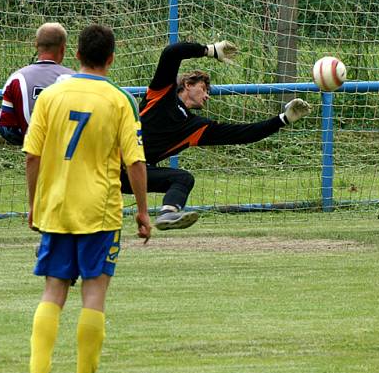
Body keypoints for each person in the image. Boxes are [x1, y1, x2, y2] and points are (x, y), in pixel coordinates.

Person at [23, 24, 151, 373]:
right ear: (111, 58)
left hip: (57, 208)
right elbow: (136, 162)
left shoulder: (52, 95)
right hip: (100, 211)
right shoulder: (120, 99)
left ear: (75, 54)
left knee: (53, 291)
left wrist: (34, 204)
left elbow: (32, 155)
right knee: (94, 295)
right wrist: (143, 211)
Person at [120, 40, 311, 231]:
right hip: (107, 161)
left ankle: (168, 213)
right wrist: (209, 50)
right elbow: (172, 52)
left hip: (132, 174)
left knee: (183, 179)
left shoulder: (196, 127)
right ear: (187, 84)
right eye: (204, 88)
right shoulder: (162, 94)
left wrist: (283, 119)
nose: (207, 95)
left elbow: (243, 134)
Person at [0, 22, 75, 146]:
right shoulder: (75, 80)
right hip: (67, 157)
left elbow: (5, 128)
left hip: (34, 155)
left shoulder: (16, 79)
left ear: (36, 45)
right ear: (63, 48)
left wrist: (31, 141)